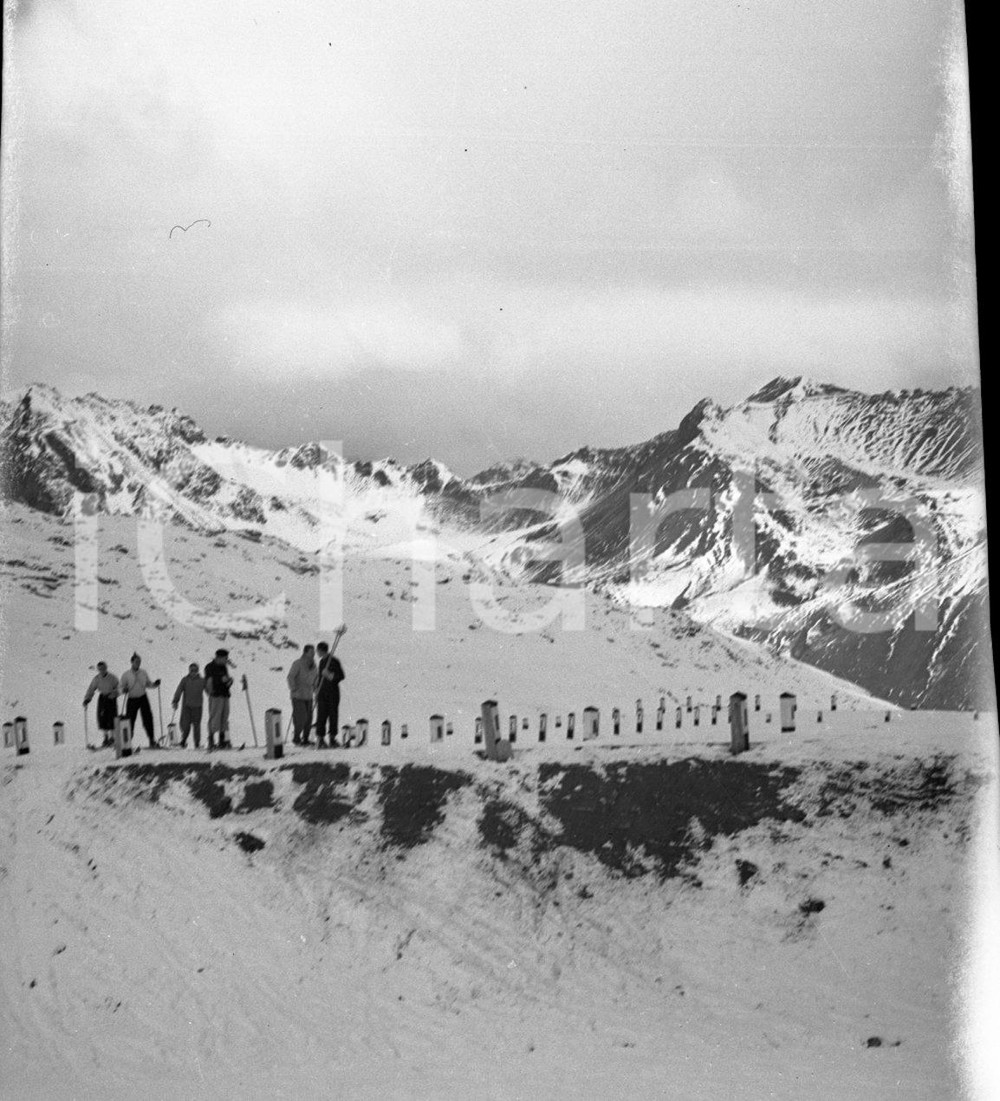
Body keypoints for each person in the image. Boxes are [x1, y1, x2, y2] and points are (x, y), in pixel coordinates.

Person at [119, 653, 161, 748]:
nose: (138, 663)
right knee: (130, 720)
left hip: (143, 697)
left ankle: (151, 740)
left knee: (148, 719)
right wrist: (123, 690)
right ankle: (127, 742)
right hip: (132, 699)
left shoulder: (143, 672)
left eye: (139, 661)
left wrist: (155, 684)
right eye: (136, 661)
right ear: (132, 662)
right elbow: (120, 687)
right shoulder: (126, 674)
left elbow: (148, 684)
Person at [314, 640, 345, 748]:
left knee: (332, 715)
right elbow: (320, 678)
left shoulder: (333, 661)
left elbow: (341, 675)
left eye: (317, 650)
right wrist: (317, 690)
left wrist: (330, 675)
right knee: (321, 715)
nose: (316, 653)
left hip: (332, 693)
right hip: (322, 693)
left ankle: (332, 738)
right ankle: (321, 739)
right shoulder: (322, 662)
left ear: (322, 650)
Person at [287, 644, 318, 746]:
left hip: (308, 695)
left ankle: (305, 739)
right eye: (311, 652)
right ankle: (296, 737)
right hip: (298, 695)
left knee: (309, 718)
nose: (313, 654)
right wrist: (294, 688)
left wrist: (316, 690)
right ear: (305, 652)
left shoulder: (314, 666)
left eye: (313, 652)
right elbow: (290, 677)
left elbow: (315, 680)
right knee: (301, 717)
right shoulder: (297, 663)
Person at [83, 661, 119, 747]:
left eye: (103, 668)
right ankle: (105, 738)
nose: (102, 671)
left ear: (106, 668)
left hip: (111, 698)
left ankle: (112, 738)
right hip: (102, 698)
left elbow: (119, 687)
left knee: (112, 717)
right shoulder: (97, 679)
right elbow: (91, 689)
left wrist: (114, 693)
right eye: (100, 669)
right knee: (102, 718)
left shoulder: (112, 678)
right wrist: (87, 699)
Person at [204, 649, 234, 751]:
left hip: (225, 694)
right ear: (219, 657)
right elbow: (209, 680)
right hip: (216, 695)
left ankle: (222, 740)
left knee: (224, 717)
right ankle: (211, 741)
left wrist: (229, 682)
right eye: (225, 658)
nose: (226, 660)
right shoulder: (210, 667)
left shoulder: (223, 667)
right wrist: (221, 680)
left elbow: (225, 679)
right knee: (215, 717)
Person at [172, 662, 206, 749]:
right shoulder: (185, 680)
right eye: (191, 670)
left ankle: (197, 743)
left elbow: (209, 690)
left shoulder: (202, 681)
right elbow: (179, 690)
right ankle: (183, 741)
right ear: (189, 671)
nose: (193, 672)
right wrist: (175, 701)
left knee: (197, 726)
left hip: (198, 707)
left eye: (195, 670)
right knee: (185, 725)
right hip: (187, 707)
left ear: (198, 671)